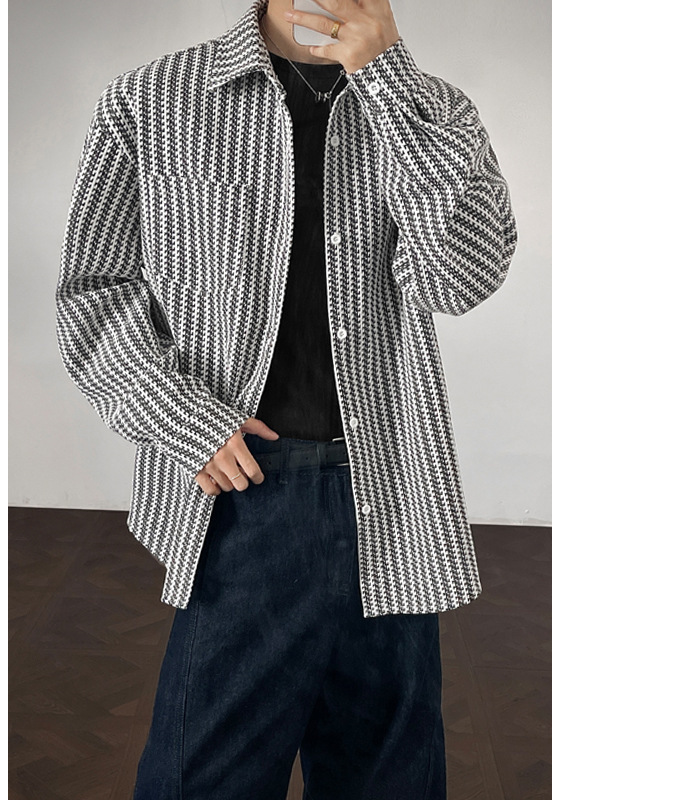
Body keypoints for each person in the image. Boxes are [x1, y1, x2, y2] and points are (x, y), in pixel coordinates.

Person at [55, 0, 517, 797]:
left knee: (389, 782)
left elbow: (458, 278)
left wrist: (387, 80)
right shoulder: (152, 98)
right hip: (237, 496)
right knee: (202, 780)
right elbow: (94, 290)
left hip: (392, 496)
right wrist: (184, 419)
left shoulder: (435, 110)